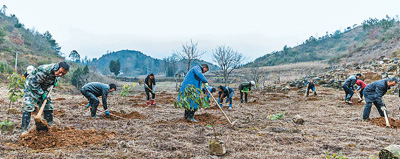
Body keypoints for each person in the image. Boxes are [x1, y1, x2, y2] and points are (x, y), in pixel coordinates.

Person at [21, 62, 70, 134]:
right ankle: (24, 131)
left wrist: (54, 82)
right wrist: (42, 94)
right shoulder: (44, 70)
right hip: (31, 87)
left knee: (49, 106)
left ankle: (48, 127)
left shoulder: (57, 73)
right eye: (60, 72)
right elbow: (34, 83)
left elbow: (51, 81)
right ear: (56, 68)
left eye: (63, 74)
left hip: (44, 88)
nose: (60, 75)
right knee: (28, 106)